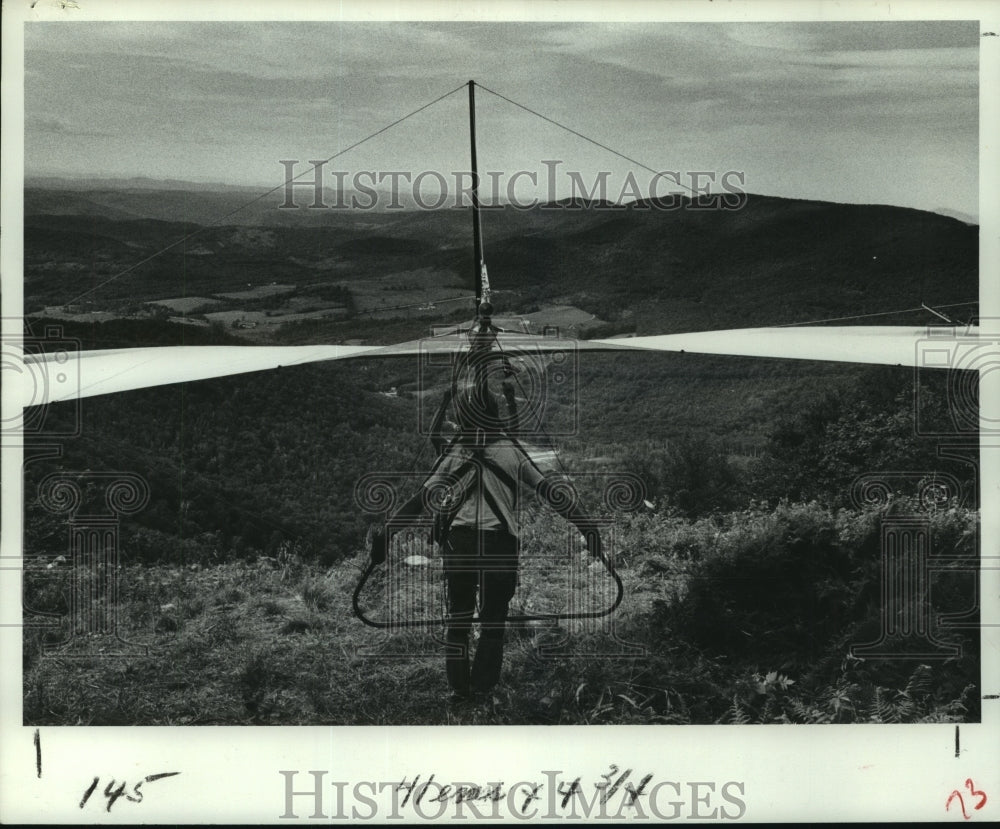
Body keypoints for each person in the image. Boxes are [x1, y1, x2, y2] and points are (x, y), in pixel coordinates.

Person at [371, 345, 601, 701]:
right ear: (493, 416)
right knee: (493, 623)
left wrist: (387, 533)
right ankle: (481, 691)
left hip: (461, 545)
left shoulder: (453, 455)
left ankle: (460, 692)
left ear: (461, 420)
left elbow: (419, 502)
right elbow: (552, 494)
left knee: (459, 623)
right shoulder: (509, 452)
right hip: (498, 545)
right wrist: (586, 526)